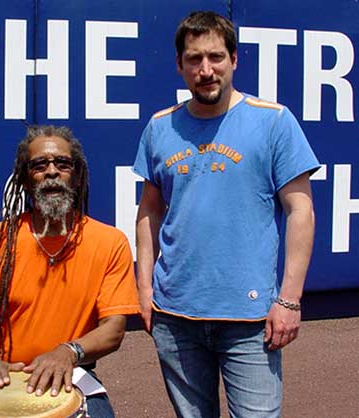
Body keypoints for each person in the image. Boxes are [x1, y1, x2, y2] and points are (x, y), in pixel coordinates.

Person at [133, 11, 320, 418]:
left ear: (234, 60)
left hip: (250, 319)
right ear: (179, 65)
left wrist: (289, 300)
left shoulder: (273, 121)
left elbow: (300, 209)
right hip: (174, 314)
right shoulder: (160, 127)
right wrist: (144, 288)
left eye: (216, 57)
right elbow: (149, 210)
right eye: (194, 59)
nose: (206, 70)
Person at [0, 125, 139, 418]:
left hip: (73, 375)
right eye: (39, 165)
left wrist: (67, 353)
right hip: (1, 375)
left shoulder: (110, 242)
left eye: (62, 163)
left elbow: (114, 329)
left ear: (77, 174)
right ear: (25, 177)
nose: (52, 171)